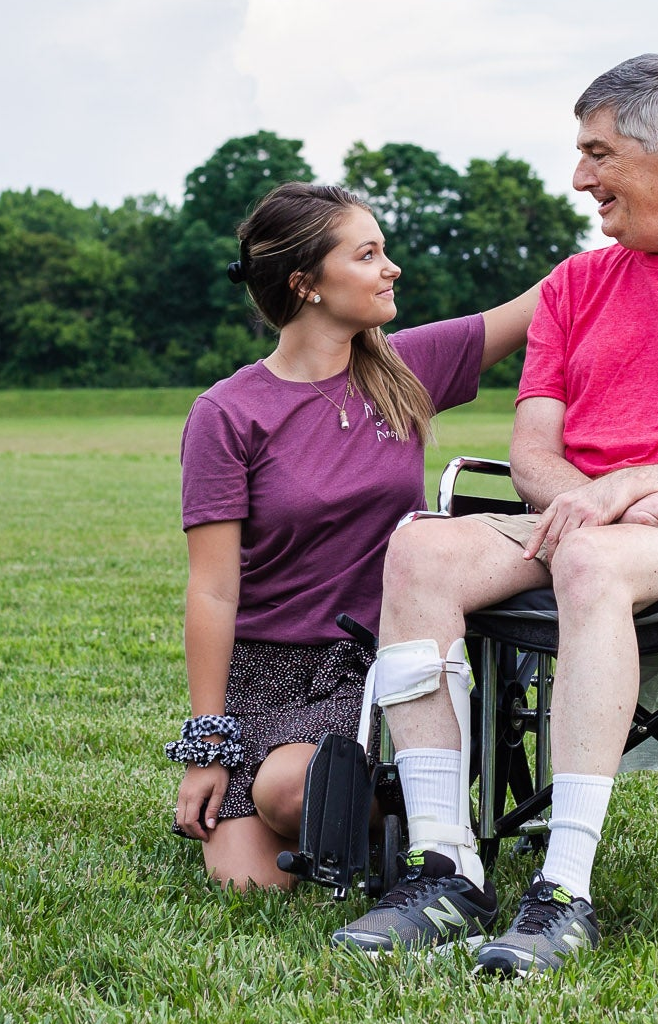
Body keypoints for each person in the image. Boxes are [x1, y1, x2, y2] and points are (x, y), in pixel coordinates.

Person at [330, 54, 658, 974]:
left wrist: (638, 487)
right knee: (418, 551)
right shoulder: (576, 285)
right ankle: (444, 868)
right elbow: (532, 451)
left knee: (595, 563)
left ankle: (563, 889)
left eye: (597, 153)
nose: (580, 178)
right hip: (577, 514)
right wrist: (598, 495)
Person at [166, 181, 543, 890]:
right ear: (307, 284)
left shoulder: (403, 371)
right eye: (368, 254)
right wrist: (207, 744)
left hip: (371, 665)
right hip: (264, 673)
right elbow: (214, 590)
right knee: (253, 885)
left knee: (290, 792)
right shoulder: (226, 413)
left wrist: (644, 217)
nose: (390, 268)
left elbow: (540, 304)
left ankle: (402, 807)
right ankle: (367, 816)